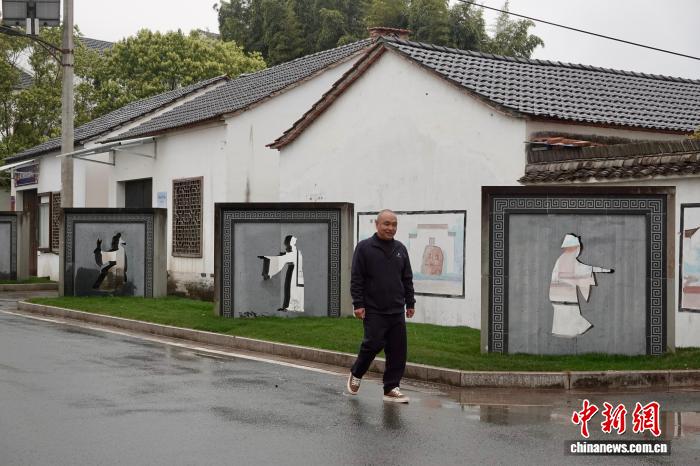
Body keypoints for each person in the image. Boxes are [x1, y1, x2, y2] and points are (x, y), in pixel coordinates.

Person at [346, 209, 415, 403]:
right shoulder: (364, 248)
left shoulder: (400, 249)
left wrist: (410, 302)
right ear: (376, 224)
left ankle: (391, 388)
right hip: (374, 308)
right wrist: (358, 304)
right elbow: (357, 278)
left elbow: (407, 278)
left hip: (396, 309)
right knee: (373, 344)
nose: (390, 228)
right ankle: (357, 373)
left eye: (394, 224)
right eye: (386, 224)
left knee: (398, 350)